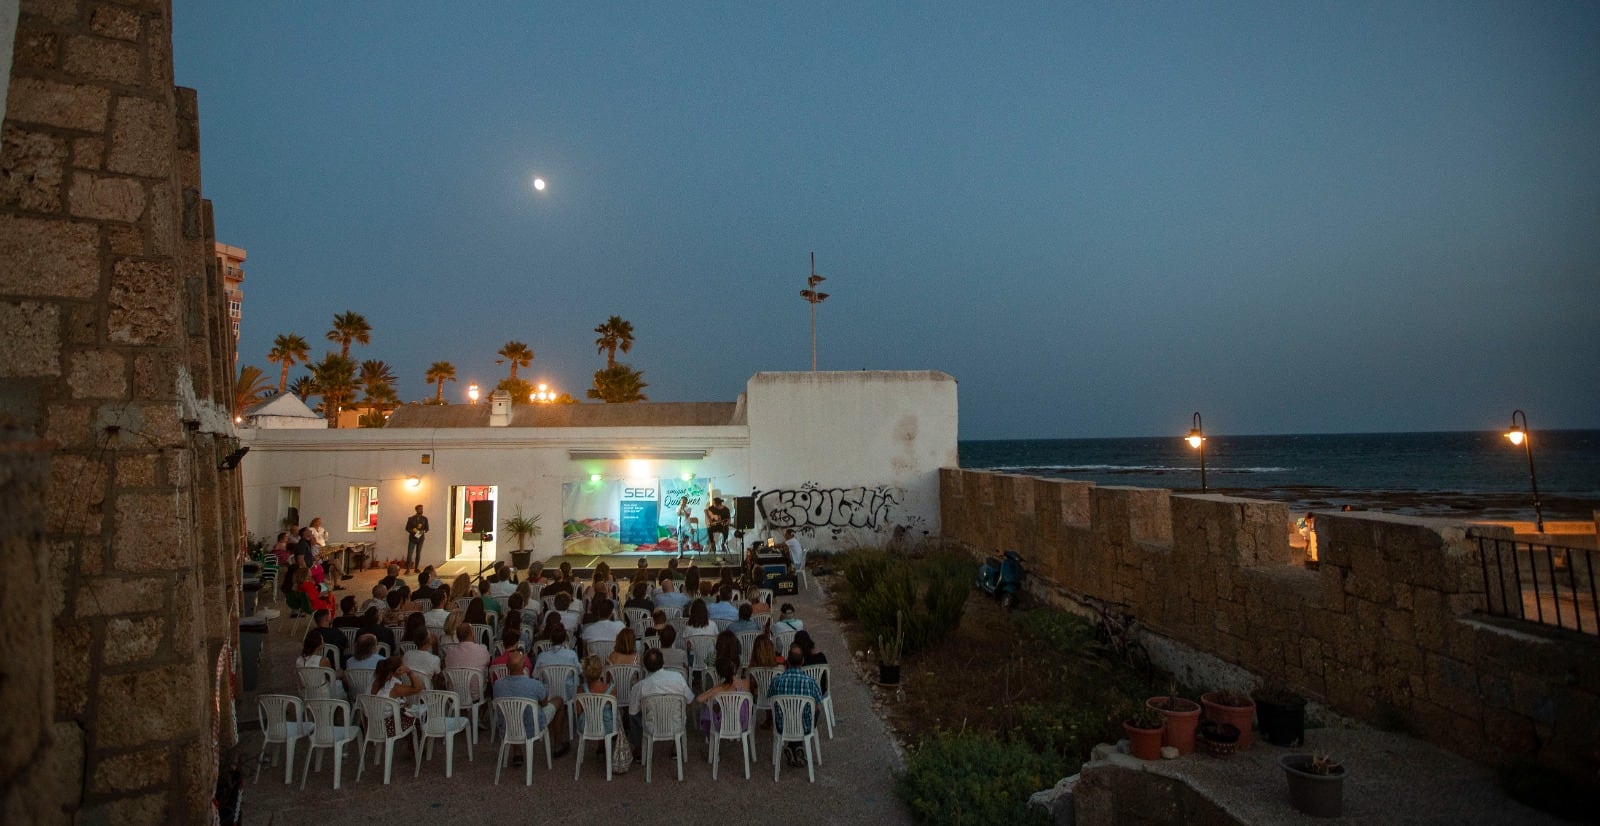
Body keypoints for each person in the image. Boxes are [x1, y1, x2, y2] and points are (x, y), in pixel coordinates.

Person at [494, 651, 569, 757]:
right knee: (559, 701)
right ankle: (558, 745)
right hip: (532, 727)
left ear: (507, 666)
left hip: (508, 728)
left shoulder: (498, 685)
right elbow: (544, 704)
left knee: (513, 712)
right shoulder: (534, 685)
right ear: (524, 665)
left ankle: (517, 752)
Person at [625, 647, 694, 754]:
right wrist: (680, 714)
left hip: (651, 726)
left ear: (645, 666)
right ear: (663, 662)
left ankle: (638, 748)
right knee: (682, 708)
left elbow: (633, 712)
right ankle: (675, 745)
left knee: (634, 716)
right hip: (676, 725)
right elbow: (690, 700)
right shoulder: (678, 678)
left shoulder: (640, 686)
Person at [767, 646, 823, 766]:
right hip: (805, 726)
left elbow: (770, 699)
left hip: (782, 725)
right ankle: (797, 744)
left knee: (790, 713)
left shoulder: (776, 681)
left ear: (787, 661)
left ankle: (793, 745)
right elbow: (819, 705)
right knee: (815, 710)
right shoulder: (810, 682)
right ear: (803, 661)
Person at [695, 656, 753, 734]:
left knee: (711, 706)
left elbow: (699, 699)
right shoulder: (746, 683)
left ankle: (710, 736)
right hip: (743, 723)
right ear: (733, 668)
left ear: (719, 674)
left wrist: (711, 691)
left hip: (724, 725)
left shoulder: (719, 688)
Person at [371, 656, 425, 732]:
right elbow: (418, 688)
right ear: (398, 670)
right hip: (386, 728)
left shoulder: (376, 679)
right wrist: (409, 671)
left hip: (371, 725)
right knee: (414, 720)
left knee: (404, 708)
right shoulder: (394, 687)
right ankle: (414, 742)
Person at [443, 623, 491, 696]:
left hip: (454, 695)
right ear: (472, 634)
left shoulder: (449, 652)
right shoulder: (482, 650)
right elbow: (488, 663)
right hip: (477, 694)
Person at [533, 626, 580, 697]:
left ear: (551, 639)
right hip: (568, 693)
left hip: (547, 693)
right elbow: (580, 671)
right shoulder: (572, 654)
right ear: (564, 639)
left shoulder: (542, 656)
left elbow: (535, 675)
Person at [404, 504, 429, 574]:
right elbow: (407, 528)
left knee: (418, 553)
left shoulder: (425, 519)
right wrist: (413, 531)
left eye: (422, 509)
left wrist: (422, 531)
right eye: (420, 509)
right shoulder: (411, 519)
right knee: (409, 553)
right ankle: (408, 569)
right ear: (416, 510)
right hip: (412, 538)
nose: (421, 510)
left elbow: (427, 528)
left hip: (420, 538)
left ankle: (416, 568)